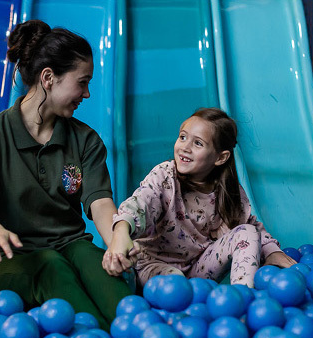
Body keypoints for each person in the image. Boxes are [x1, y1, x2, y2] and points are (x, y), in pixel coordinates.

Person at [0, 20, 131, 330]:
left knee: (96, 265)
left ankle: (137, 330)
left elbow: (100, 202)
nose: (87, 93)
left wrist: (116, 240)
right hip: (9, 255)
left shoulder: (85, 140)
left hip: (70, 245)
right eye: (82, 82)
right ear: (49, 78)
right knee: (51, 267)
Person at [102, 108, 295, 287]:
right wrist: (121, 232)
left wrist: (272, 252)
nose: (185, 147)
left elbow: (250, 225)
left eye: (198, 143)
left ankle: (243, 296)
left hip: (198, 270)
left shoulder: (227, 190)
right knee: (176, 283)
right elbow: (140, 203)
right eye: (183, 137)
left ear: (220, 158)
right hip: (154, 267)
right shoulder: (165, 176)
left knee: (248, 232)